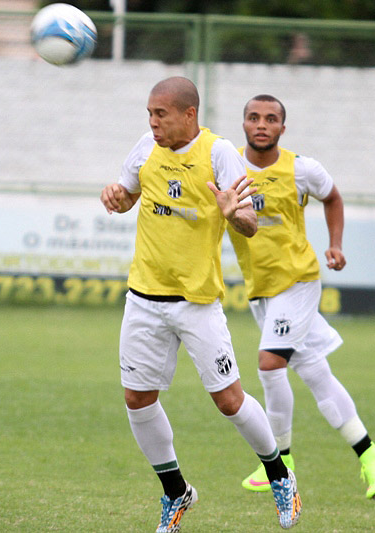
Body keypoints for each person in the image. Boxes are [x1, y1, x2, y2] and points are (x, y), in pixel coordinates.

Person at [100, 78, 302, 532]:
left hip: (197, 303)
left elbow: (249, 222)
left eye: (161, 114)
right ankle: (176, 492)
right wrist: (116, 197)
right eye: (150, 114)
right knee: (137, 398)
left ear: (188, 114)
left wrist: (236, 213)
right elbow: (128, 194)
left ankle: (279, 475)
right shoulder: (145, 147)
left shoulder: (219, 153)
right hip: (144, 298)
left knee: (228, 400)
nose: (153, 122)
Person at [228, 94, 375, 499]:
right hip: (261, 289)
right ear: (244, 124)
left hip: (297, 280)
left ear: (283, 128)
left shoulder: (302, 168)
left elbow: (333, 197)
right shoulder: (228, 165)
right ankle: (371, 452)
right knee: (314, 372)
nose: (261, 124)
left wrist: (335, 244)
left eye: (271, 119)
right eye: (254, 118)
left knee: (270, 366)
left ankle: (280, 462)